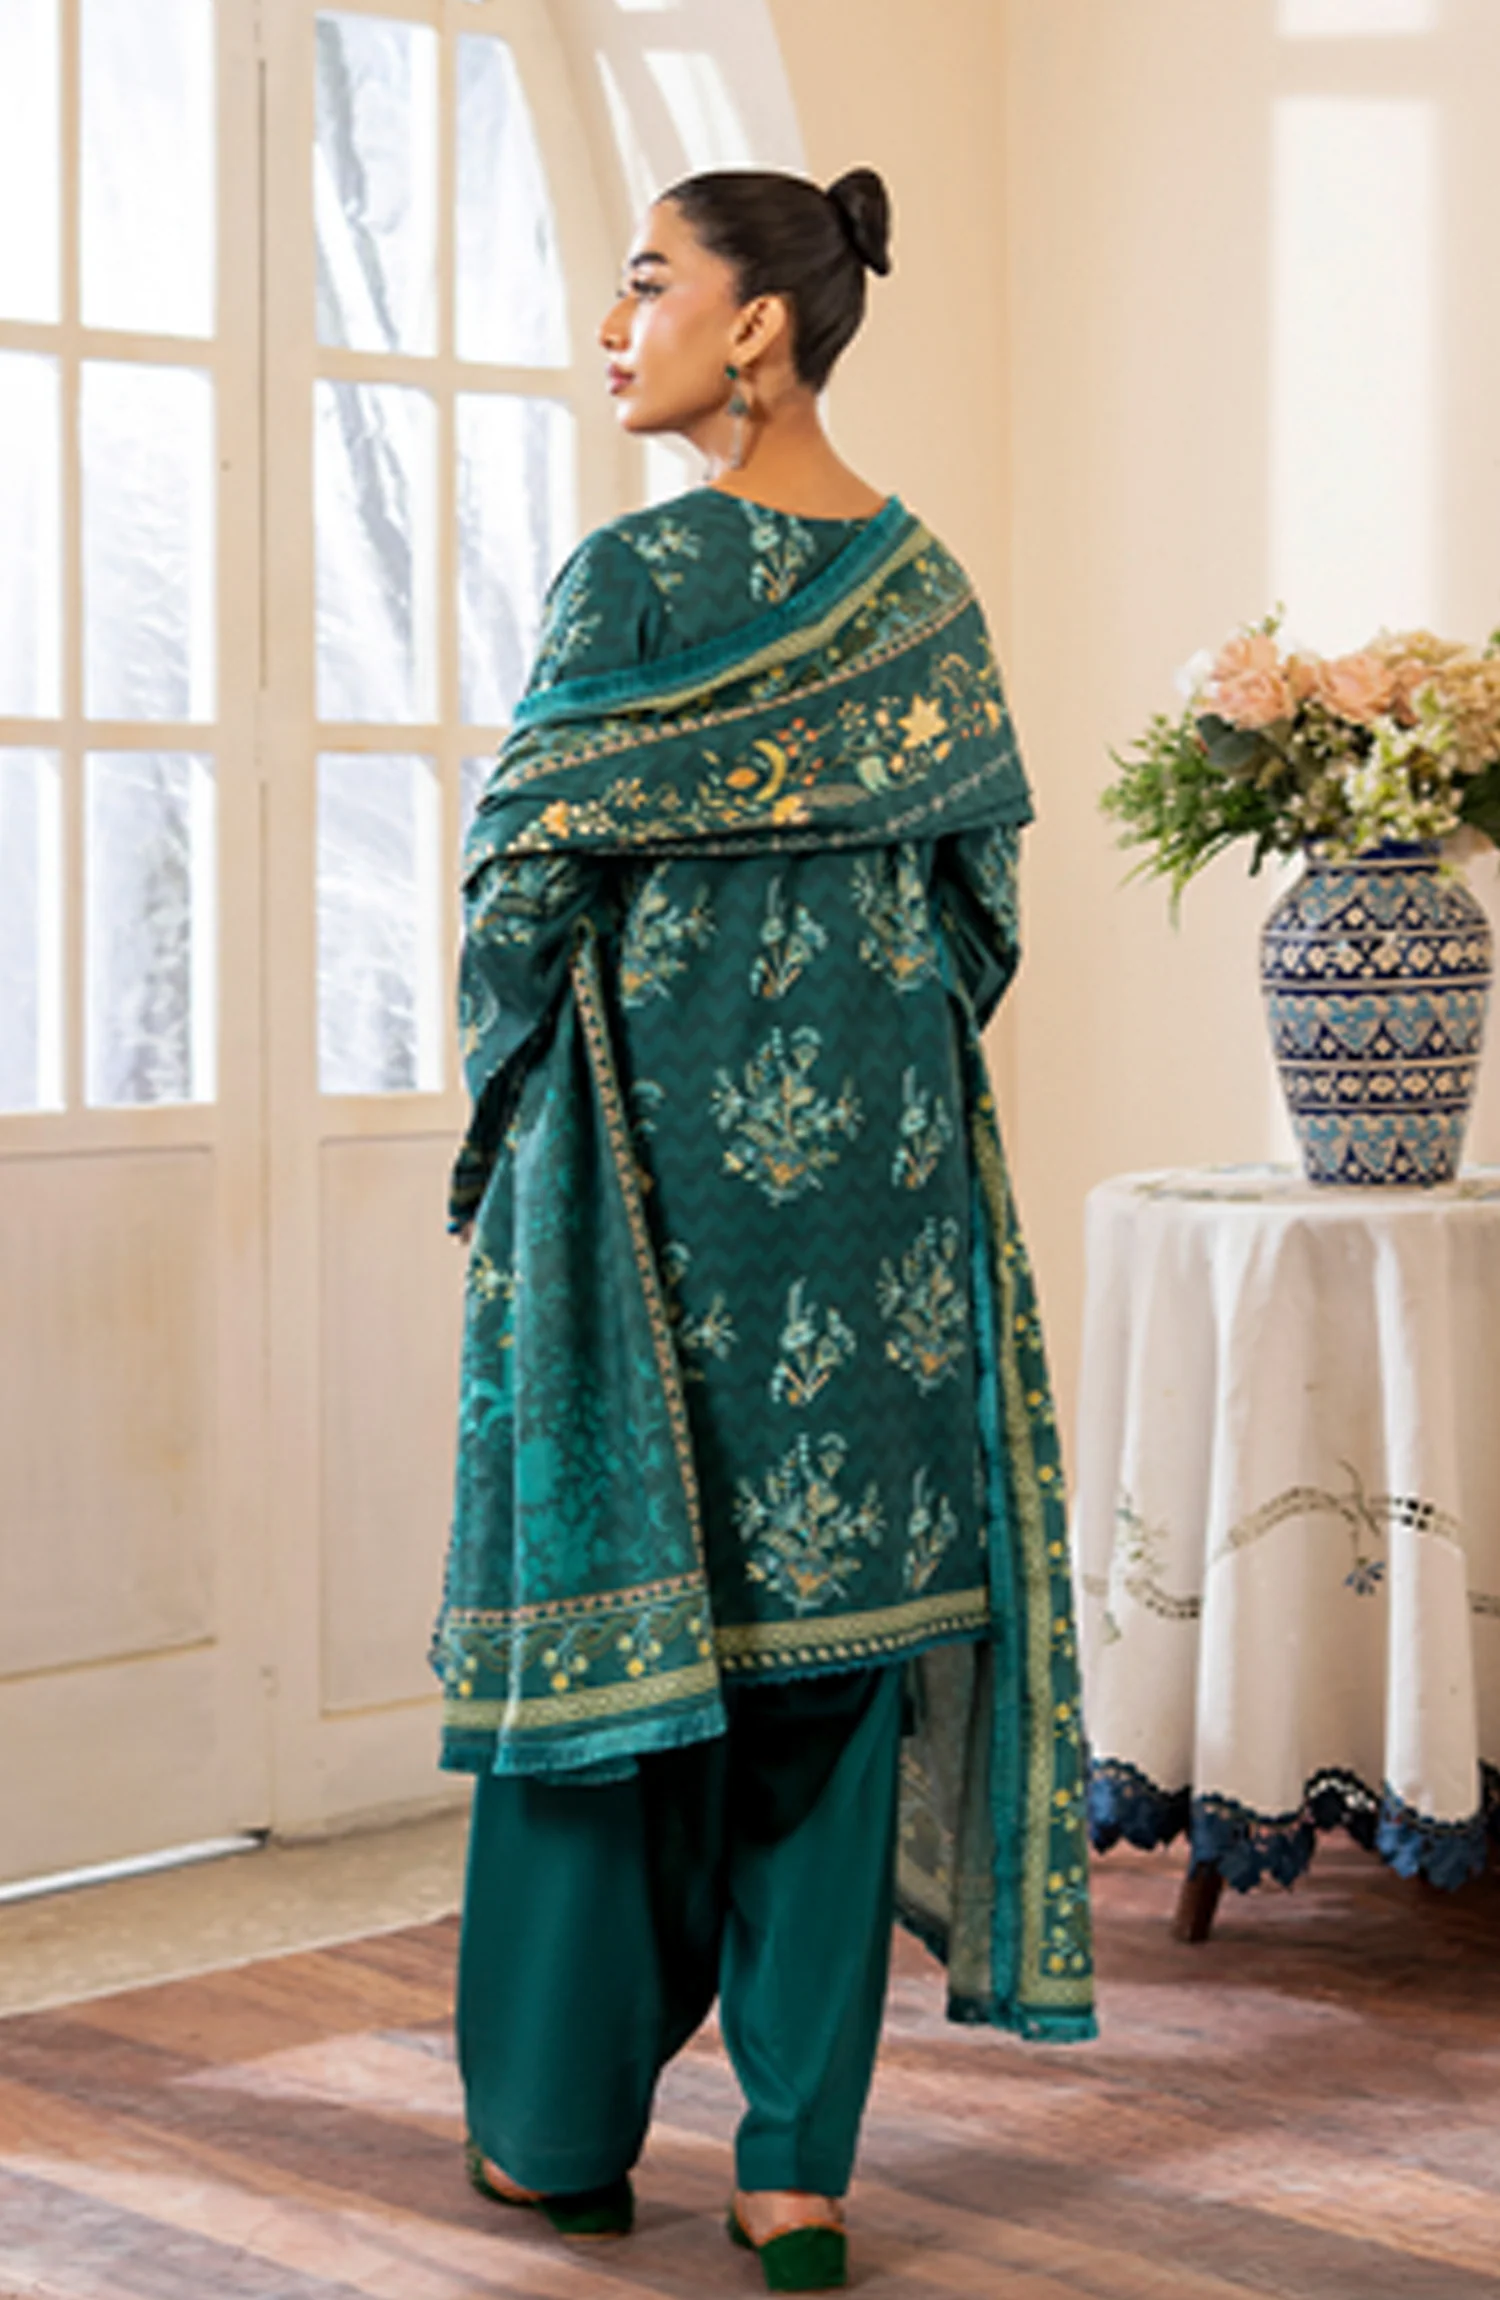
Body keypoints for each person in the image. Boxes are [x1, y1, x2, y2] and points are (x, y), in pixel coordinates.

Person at [432, 167, 1095, 2294]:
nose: (606, 325)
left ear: (755, 326)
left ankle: (560, 2145)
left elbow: (521, 900)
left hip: (648, 1218)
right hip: (879, 1235)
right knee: (832, 1683)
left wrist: (536, 1110)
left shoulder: (630, 584)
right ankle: (796, 2178)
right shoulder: (927, 598)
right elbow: (980, 925)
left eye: (646, 284)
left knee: (616, 1678)